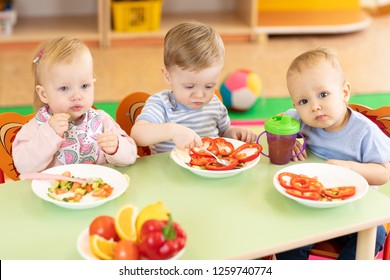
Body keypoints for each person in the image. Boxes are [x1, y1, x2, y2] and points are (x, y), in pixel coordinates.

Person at [276, 47, 390, 260]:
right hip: (312, 204)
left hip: (355, 207)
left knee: (375, 234)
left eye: (323, 94)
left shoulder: (365, 132)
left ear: (344, 92)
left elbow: (384, 172)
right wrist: (289, 139)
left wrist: (350, 167)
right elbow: (282, 119)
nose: (315, 107)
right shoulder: (301, 119)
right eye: (304, 101)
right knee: (284, 237)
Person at [13, 37, 137, 174]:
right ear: (44, 94)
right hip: (53, 192)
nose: (77, 96)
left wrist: (117, 147)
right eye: (64, 88)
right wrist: (49, 133)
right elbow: (23, 167)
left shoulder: (101, 120)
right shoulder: (37, 127)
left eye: (84, 86)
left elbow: (131, 155)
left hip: (98, 191)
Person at [130, 22, 257, 154]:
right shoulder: (161, 103)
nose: (199, 95)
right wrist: (173, 131)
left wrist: (234, 132)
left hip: (208, 171)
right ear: (168, 76)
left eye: (209, 86)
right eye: (190, 86)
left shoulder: (214, 104)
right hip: (168, 172)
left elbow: (224, 132)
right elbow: (137, 134)